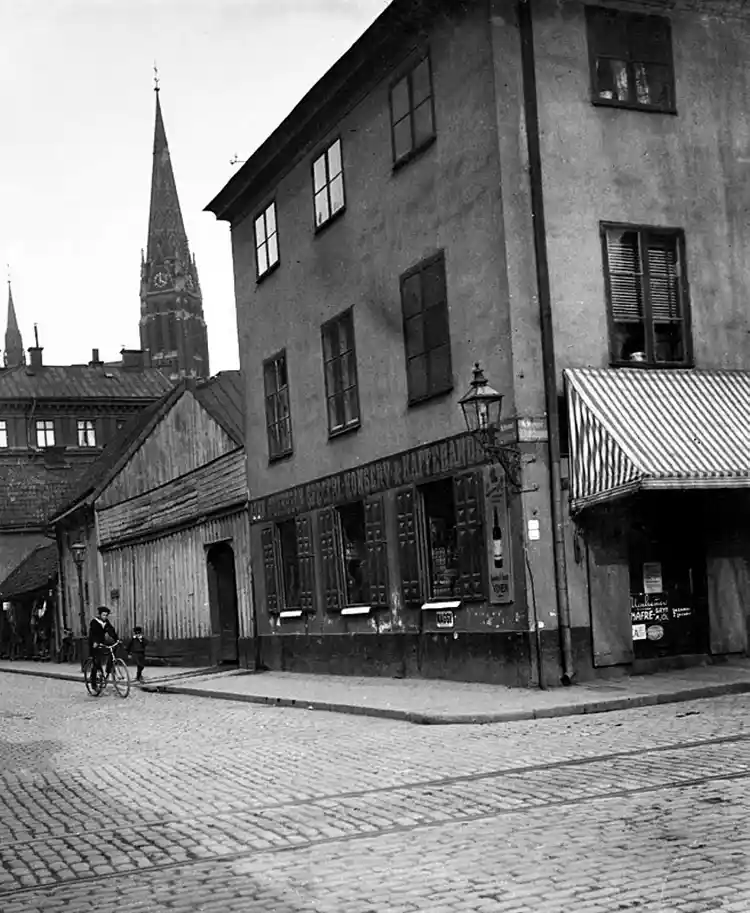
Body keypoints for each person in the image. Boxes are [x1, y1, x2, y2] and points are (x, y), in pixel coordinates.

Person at [88, 606, 118, 689]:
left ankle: (109, 668)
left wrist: (116, 639)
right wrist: (95, 642)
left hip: (102, 641)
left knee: (114, 647)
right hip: (94, 643)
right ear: (100, 614)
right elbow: (94, 633)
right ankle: (94, 683)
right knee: (96, 662)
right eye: (104, 615)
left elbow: (111, 630)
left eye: (106, 615)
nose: (105, 617)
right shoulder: (94, 622)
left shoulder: (106, 622)